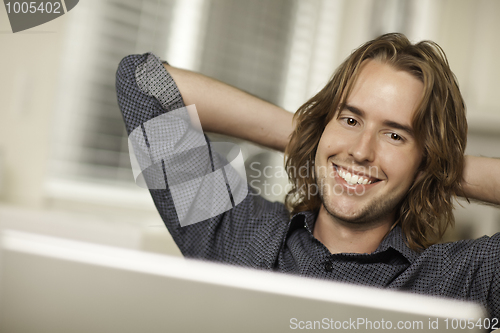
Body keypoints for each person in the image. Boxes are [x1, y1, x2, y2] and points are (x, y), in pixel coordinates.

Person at [116, 33, 499, 321]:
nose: (362, 150)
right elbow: (142, 82)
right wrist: (313, 137)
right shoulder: (236, 233)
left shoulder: (460, 280)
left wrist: (440, 169)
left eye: (395, 134)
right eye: (350, 119)